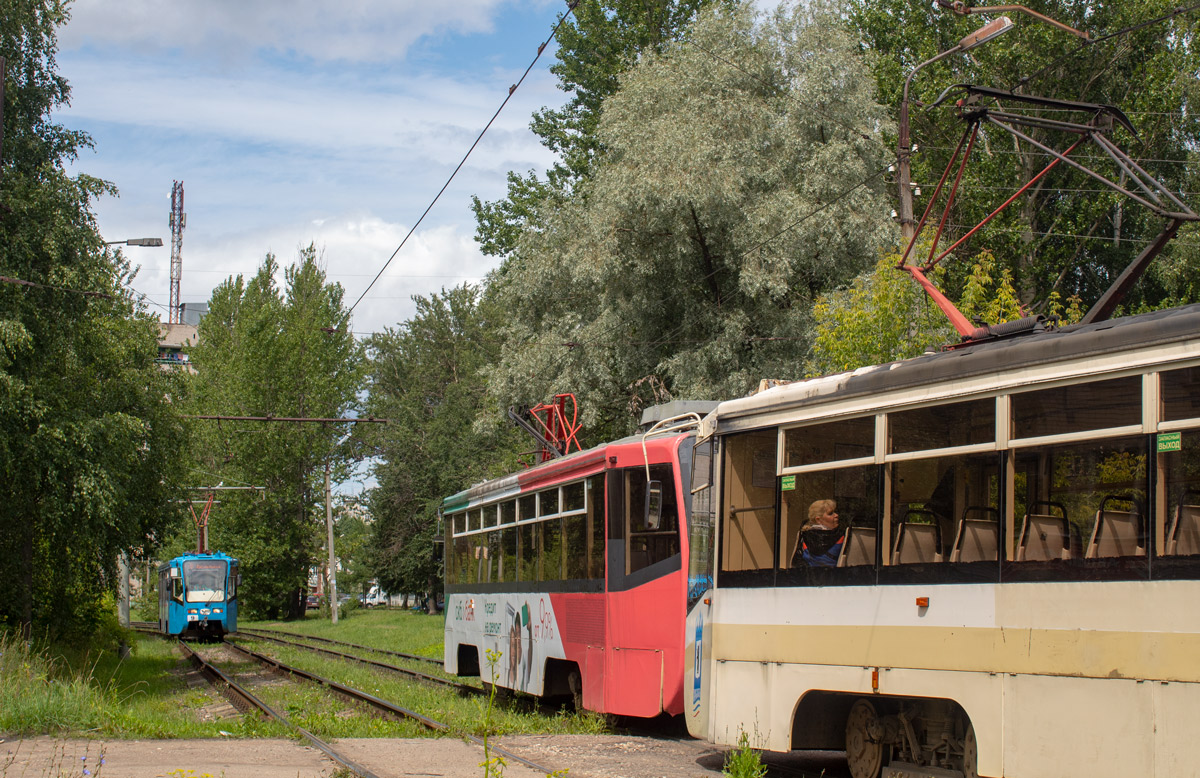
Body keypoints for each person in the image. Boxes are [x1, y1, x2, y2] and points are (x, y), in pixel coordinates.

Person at [792, 499, 844, 567]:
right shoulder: (842, 537)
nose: (836, 515)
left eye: (835, 512)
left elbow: (796, 562)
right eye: (830, 513)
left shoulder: (803, 537)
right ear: (818, 520)